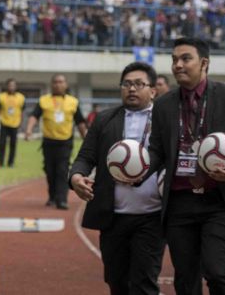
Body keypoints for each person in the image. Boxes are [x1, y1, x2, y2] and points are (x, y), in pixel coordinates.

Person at [142, 37, 225, 295]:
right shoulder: (163, 104)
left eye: (186, 58)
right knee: (185, 279)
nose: (178, 65)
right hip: (179, 202)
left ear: (204, 63)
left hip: (219, 200)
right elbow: (157, 151)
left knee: (217, 272)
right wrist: (137, 168)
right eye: (174, 59)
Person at [70, 62, 164, 295]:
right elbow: (85, 157)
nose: (132, 89)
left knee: (144, 283)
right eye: (127, 84)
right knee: (116, 281)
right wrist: (76, 177)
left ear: (153, 90)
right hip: (113, 218)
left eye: (139, 84)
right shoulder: (104, 119)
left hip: (152, 217)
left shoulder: (166, 120)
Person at [25, 74, 88, 210]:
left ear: (66, 85)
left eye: (61, 82)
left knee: (62, 170)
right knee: (50, 171)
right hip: (48, 142)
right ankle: (52, 197)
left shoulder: (73, 102)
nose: (58, 84)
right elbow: (34, 116)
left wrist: (87, 139)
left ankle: (62, 200)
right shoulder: (44, 101)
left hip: (65, 142)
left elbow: (80, 122)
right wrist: (29, 130)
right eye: (55, 82)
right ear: (51, 84)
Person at [0, 78, 25, 167]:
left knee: (13, 144)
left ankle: (11, 163)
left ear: (16, 87)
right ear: (7, 86)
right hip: (4, 123)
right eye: (9, 85)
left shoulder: (21, 97)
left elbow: (22, 111)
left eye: (13, 85)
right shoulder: (1, 97)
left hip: (15, 124)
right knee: (2, 144)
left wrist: (21, 122)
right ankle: (1, 163)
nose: (11, 87)